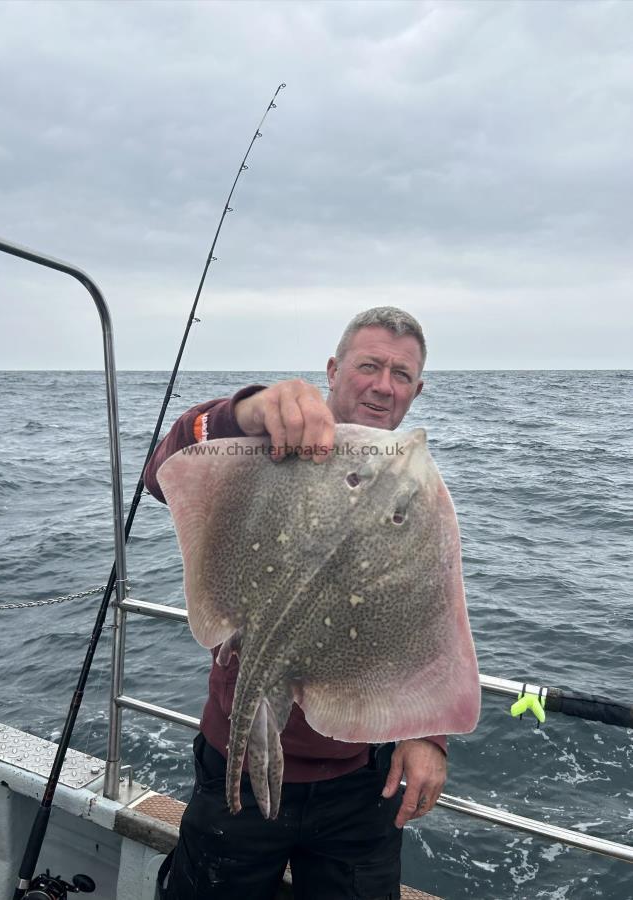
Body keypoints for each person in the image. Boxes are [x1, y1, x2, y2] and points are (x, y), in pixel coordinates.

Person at [145, 307, 447, 900]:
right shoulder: (268, 442)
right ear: (333, 370)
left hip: (363, 782)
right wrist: (245, 408)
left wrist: (429, 733)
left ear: (417, 390)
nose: (384, 385)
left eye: (402, 374)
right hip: (235, 754)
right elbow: (163, 472)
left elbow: (429, 614)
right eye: (369, 365)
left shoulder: (415, 488)